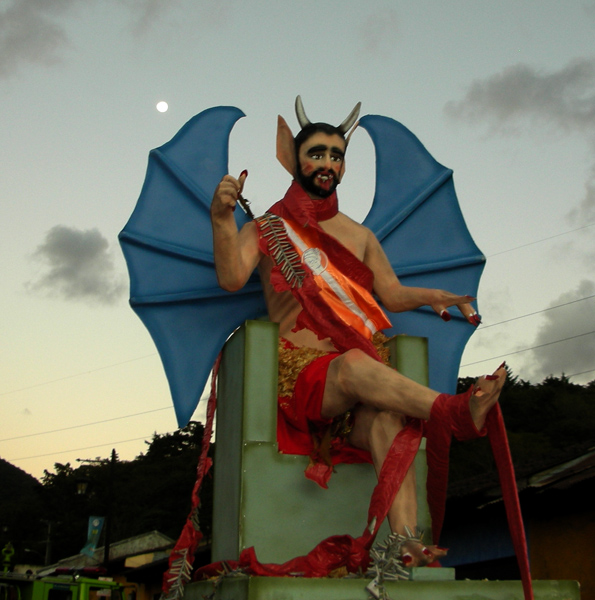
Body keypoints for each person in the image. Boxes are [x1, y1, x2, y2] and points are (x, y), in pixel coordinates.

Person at [210, 97, 505, 568]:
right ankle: (451, 412)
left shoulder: (361, 236)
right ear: (291, 158)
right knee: (351, 365)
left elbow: (391, 294)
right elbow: (230, 278)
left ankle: (406, 542)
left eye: (337, 155)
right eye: (317, 153)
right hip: (301, 380)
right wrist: (223, 220)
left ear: (344, 167)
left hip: (359, 382)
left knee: (390, 420)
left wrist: (432, 295)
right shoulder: (267, 228)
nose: (328, 163)